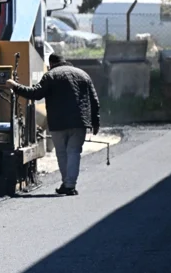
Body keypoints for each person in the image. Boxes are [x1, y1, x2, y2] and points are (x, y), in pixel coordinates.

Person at [6, 53, 101, 196]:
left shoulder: (50, 75)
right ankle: (70, 185)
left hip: (58, 123)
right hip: (79, 122)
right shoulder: (83, 75)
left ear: (51, 64)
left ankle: (67, 184)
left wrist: (15, 86)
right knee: (74, 152)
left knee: (62, 153)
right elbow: (94, 100)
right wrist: (95, 122)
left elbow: (35, 94)